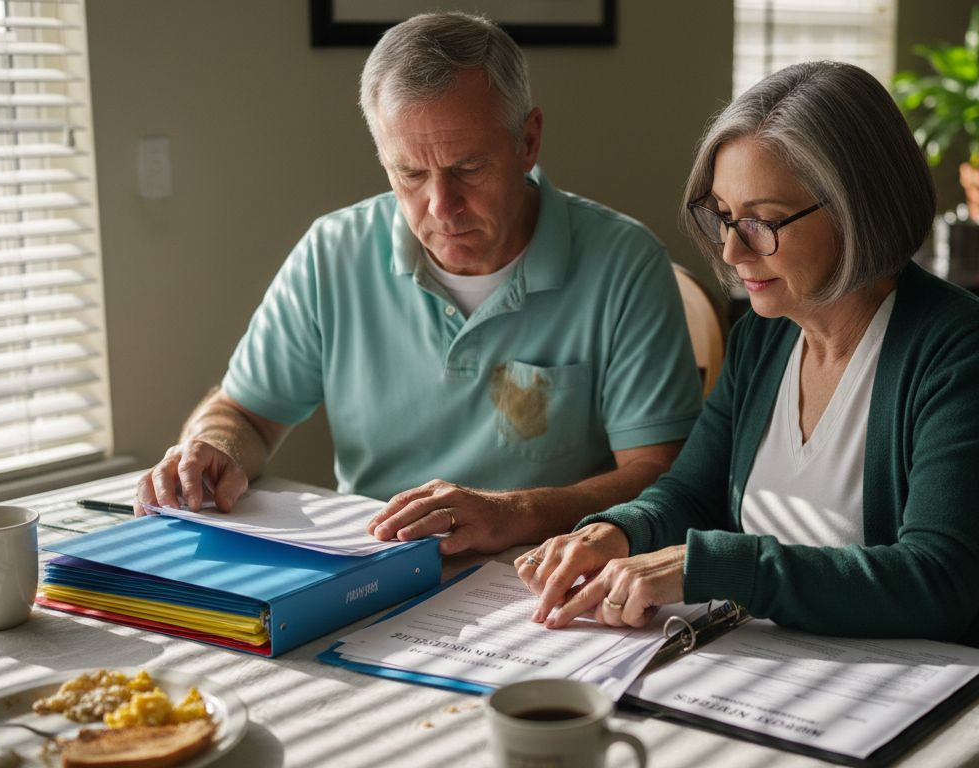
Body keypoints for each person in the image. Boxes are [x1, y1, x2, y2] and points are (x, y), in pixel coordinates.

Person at [518, 61, 979, 662]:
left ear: (858, 207)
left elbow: (936, 583)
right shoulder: (762, 339)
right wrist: (619, 530)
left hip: (924, 684)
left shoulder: (959, 351)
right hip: (776, 668)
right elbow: (691, 493)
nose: (731, 249)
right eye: (721, 214)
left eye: (762, 221)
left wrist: (716, 565)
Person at [133, 12, 701, 556]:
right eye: (409, 173)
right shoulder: (333, 252)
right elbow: (246, 415)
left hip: (541, 574)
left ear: (528, 141)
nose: (441, 206)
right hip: (370, 567)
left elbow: (661, 475)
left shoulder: (625, 263)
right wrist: (212, 448)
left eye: (468, 169)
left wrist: (515, 512)